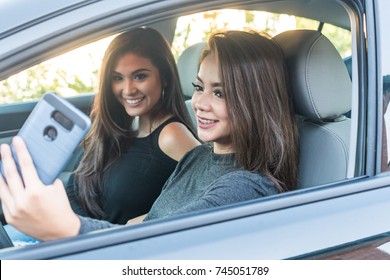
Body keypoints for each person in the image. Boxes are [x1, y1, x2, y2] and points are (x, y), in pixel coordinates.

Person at [0, 30, 299, 241]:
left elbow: (154, 244)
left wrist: (67, 227)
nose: (199, 103)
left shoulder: (246, 187)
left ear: (255, 100)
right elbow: (143, 223)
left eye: (219, 92)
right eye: (198, 88)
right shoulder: (198, 157)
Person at [2, 27, 200, 243]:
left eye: (140, 76)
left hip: (92, 245)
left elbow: (206, 200)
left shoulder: (172, 135)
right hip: (55, 232)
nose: (128, 89)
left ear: (165, 77)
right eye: (117, 78)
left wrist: (145, 222)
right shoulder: (125, 124)